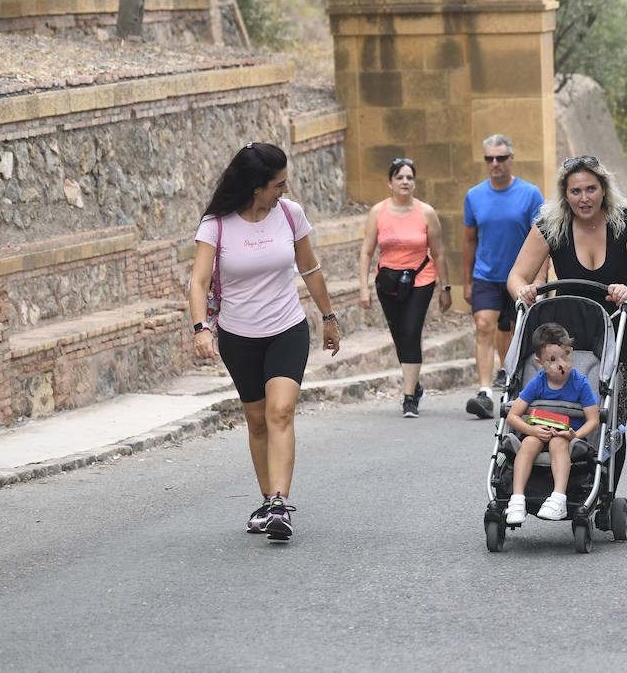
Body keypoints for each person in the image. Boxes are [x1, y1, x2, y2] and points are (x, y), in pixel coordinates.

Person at [188, 143, 341, 541]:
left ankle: (278, 502)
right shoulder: (216, 225)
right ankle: (267, 503)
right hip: (239, 336)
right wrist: (200, 327)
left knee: (280, 411)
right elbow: (199, 281)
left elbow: (310, 267)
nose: (283, 191)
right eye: (277, 185)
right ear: (255, 187)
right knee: (256, 420)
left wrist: (328, 317)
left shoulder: (290, 215)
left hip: (287, 329)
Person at [507, 156, 627, 466]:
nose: (584, 198)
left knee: (612, 416)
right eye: (576, 191)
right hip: (570, 333)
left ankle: (605, 494)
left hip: (621, 327)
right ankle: (567, 478)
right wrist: (522, 292)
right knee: (565, 407)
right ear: (565, 194)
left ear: (604, 189)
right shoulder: (551, 226)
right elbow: (516, 276)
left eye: (591, 189)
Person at [358, 158, 452, 417]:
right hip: (387, 281)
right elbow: (366, 252)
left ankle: (409, 397)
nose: (405, 182)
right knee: (400, 336)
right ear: (390, 182)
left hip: (421, 280)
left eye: (410, 177)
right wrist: (363, 288)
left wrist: (446, 288)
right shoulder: (378, 212)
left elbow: (439, 253)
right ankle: (415, 383)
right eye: (399, 177)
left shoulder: (426, 212)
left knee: (411, 332)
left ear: (415, 182)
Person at [463, 134, 545, 419]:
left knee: (516, 331)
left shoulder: (530, 194)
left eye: (500, 158)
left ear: (511, 159)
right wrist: (468, 280)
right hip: (486, 275)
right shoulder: (474, 196)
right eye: (489, 158)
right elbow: (469, 240)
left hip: (521, 277)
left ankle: (512, 386)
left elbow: (544, 239)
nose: (494, 163)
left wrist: (540, 280)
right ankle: (485, 392)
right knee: (484, 325)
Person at [503, 322, 600, 523]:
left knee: (558, 443)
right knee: (528, 443)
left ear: (571, 352)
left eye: (566, 356)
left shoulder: (579, 383)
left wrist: (575, 435)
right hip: (537, 431)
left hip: (566, 436)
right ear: (540, 363)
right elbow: (513, 416)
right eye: (553, 360)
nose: (561, 364)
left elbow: (594, 420)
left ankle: (558, 498)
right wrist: (532, 430)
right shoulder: (537, 382)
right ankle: (517, 499)